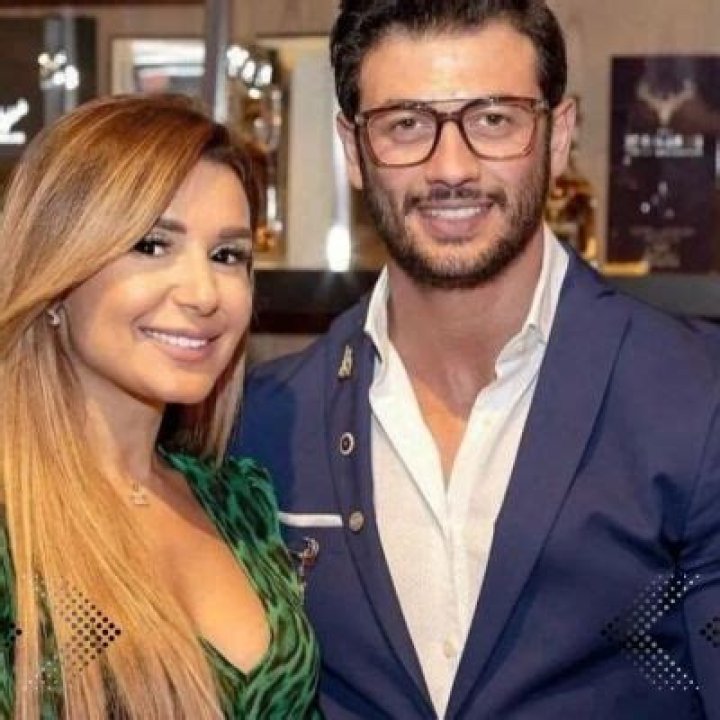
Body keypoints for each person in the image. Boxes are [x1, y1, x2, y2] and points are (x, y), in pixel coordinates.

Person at [234, 1, 720, 718]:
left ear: (558, 136)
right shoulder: (264, 421)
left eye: (494, 119)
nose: (451, 168)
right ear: (353, 150)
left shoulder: (696, 399)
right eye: (406, 124)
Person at [0, 94, 320, 719]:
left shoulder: (238, 500)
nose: (203, 294)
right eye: (151, 246)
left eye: (227, 256)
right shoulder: (14, 523)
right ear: (56, 272)